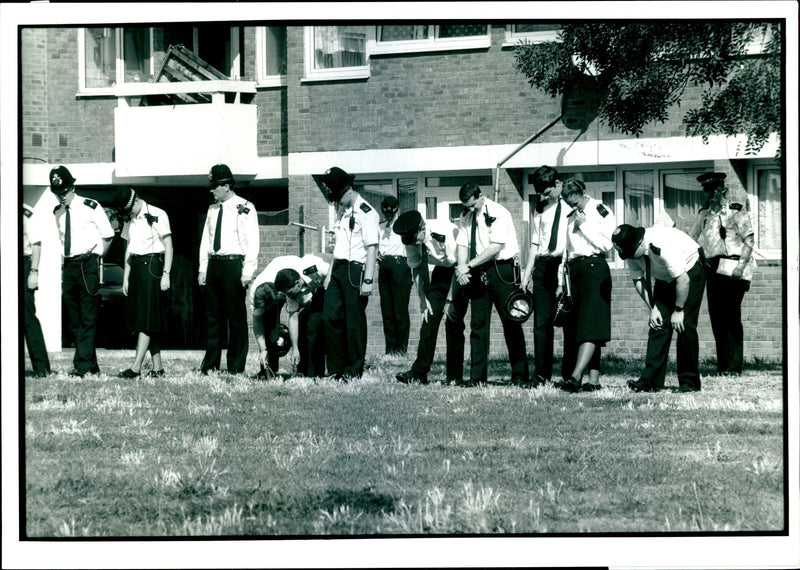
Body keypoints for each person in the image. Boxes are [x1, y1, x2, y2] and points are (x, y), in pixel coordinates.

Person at [613, 224, 707, 393]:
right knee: (658, 325)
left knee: (684, 324)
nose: (630, 258)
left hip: (690, 269)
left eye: (630, 254)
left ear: (640, 243)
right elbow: (638, 281)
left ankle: (690, 382)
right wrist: (653, 308)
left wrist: (678, 311)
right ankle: (651, 380)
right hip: (666, 278)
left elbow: (683, 280)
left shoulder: (662, 245)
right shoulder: (631, 253)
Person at [455, 183, 529, 387]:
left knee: (511, 322)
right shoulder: (466, 216)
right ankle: (477, 377)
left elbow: (496, 246)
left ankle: (520, 375)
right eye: (466, 206)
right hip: (478, 270)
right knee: (478, 325)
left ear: (480, 196)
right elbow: (462, 242)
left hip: (500, 269)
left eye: (472, 205)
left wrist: (468, 265)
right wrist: (461, 267)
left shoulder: (498, 212)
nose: (470, 209)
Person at [688, 172, 755, 377]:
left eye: (713, 189)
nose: (709, 194)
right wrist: (700, 255)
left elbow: (749, 241)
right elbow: (691, 239)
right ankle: (723, 365)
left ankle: (734, 367)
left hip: (734, 268)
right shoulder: (704, 215)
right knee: (717, 318)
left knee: (732, 317)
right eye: (706, 190)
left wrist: (740, 266)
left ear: (722, 190)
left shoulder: (735, 212)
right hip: (713, 269)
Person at [49, 165, 114, 377]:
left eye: (64, 191)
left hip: (88, 263)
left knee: (88, 317)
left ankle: (82, 366)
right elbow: (60, 241)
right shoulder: (57, 212)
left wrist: (96, 258)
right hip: (69, 266)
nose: (61, 197)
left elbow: (108, 235)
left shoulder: (90, 206)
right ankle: (90, 365)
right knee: (74, 318)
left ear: (72, 187)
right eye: (57, 193)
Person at [392, 210, 468, 385]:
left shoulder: (445, 231)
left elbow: (458, 265)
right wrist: (422, 301)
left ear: (422, 228)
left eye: (415, 239)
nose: (413, 244)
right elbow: (417, 268)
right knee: (428, 322)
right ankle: (419, 372)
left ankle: (454, 376)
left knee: (453, 321)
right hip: (441, 273)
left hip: (459, 272)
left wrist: (450, 300)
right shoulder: (412, 240)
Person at [198, 164, 260, 375]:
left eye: (215, 186)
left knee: (235, 317)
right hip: (214, 264)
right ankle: (210, 365)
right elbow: (206, 239)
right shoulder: (212, 209)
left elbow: (253, 241)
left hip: (233, 265)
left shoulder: (245, 207)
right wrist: (202, 268)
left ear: (226, 185)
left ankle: (235, 366)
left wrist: (248, 272)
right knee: (212, 317)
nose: (212, 190)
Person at [319, 166, 379, 380]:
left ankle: (353, 370)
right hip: (337, 269)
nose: (336, 202)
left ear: (347, 190)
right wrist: (329, 275)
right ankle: (335, 368)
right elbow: (338, 248)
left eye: (337, 197)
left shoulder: (367, 212)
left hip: (356, 270)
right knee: (330, 317)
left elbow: (372, 247)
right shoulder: (343, 212)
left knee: (353, 322)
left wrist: (369, 279)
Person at [556, 178, 615, 393]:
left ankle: (575, 376)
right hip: (575, 270)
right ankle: (594, 379)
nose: (574, 207)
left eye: (575, 202)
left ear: (583, 194)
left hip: (594, 268)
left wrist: (585, 226)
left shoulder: (600, 210)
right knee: (580, 325)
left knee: (591, 324)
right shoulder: (571, 215)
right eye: (569, 204)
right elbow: (567, 250)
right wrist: (561, 281)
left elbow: (607, 245)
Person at [113, 187, 173, 378]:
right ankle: (158, 368)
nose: (128, 213)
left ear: (136, 202)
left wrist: (166, 274)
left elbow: (169, 246)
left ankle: (136, 367)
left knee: (146, 320)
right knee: (147, 319)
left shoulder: (157, 214)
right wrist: (126, 277)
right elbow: (128, 251)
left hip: (152, 267)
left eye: (129, 209)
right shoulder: (129, 219)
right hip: (137, 268)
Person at [520, 165, 570, 385]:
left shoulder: (572, 206)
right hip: (542, 266)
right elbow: (534, 244)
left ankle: (570, 374)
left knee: (568, 320)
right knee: (541, 323)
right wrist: (526, 273)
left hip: (564, 263)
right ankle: (541, 375)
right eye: (541, 193)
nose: (545, 196)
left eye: (548, 192)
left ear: (558, 184)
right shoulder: (540, 210)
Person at [250, 254, 329, 378]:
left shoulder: (293, 282)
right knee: (268, 325)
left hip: (292, 277)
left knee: (310, 326)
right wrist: (262, 349)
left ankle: (310, 369)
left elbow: (293, 317)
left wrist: (295, 348)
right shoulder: (255, 292)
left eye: (287, 294)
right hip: (275, 280)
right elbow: (257, 322)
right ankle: (267, 370)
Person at [377, 196, 412, 355]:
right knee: (387, 311)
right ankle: (390, 350)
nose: (389, 215)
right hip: (384, 267)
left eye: (392, 212)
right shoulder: (380, 227)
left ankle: (401, 350)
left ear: (397, 209)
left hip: (400, 266)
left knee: (400, 311)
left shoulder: (404, 225)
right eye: (386, 212)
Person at [23, 203, 51, 378]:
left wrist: (34, 272)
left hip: (23, 264)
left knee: (27, 317)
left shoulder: (25, 212)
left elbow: (36, 243)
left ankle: (41, 367)